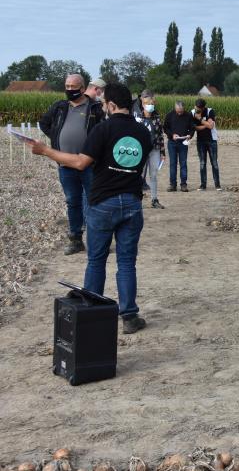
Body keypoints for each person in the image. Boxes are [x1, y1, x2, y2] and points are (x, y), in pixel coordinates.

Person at [28, 83, 153, 334]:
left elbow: (79, 163)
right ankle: (129, 316)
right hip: (131, 202)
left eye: (105, 103)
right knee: (127, 263)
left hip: (103, 203)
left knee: (96, 260)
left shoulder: (102, 129)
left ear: (112, 105)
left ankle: (93, 314)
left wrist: (46, 151)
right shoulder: (143, 132)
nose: (103, 107)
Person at [38, 73, 105, 255]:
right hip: (65, 164)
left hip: (89, 164)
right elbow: (44, 123)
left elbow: (103, 131)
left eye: (73, 87)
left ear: (82, 88)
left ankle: (97, 240)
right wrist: (57, 136)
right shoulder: (60, 107)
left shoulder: (95, 108)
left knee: (93, 201)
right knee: (72, 201)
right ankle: (76, 239)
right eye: (67, 86)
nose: (69, 90)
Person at [132, 90, 166, 209]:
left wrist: (163, 152)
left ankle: (154, 199)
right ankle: (137, 199)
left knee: (154, 174)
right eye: (148, 103)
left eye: (152, 103)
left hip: (154, 149)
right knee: (138, 174)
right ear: (143, 103)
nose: (151, 105)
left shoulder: (156, 116)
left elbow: (160, 135)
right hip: (140, 150)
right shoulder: (136, 117)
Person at [162, 100, 196, 192]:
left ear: (183, 108)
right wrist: (172, 135)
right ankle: (173, 185)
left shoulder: (188, 115)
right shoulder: (169, 115)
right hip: (172, 143)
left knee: (183, 164)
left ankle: (183, 184)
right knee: (173, 164)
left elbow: (192, 128)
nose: (179, 112)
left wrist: (190, 135)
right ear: (175, 108)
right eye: (178, 111)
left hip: (184, 143)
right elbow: (165, 128)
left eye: (181, 111)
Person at [192, 98, 220, 191]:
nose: (197, 110)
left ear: (204, 107)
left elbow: (211, 126)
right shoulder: (192, 112)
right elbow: (195, 128)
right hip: (200, 141)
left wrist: (200, 119)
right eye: (196, 107)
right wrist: (206, 124)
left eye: (199, 108)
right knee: (202, 163)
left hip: (212, 140)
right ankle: (203, 185)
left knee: (214, 163)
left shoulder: (210, 111)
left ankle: (217, 185)